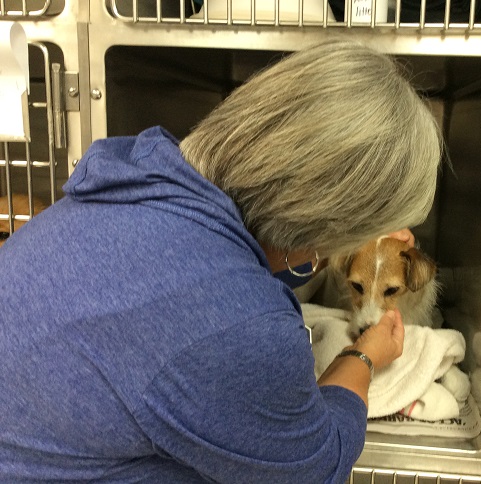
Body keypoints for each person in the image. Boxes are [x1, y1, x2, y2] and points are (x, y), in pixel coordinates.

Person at [0, 40, 441, 482]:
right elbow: (315, 469)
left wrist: (324, 253)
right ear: (331, 225)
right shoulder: (238, 324)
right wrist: (363, 356)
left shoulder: (131, 179)